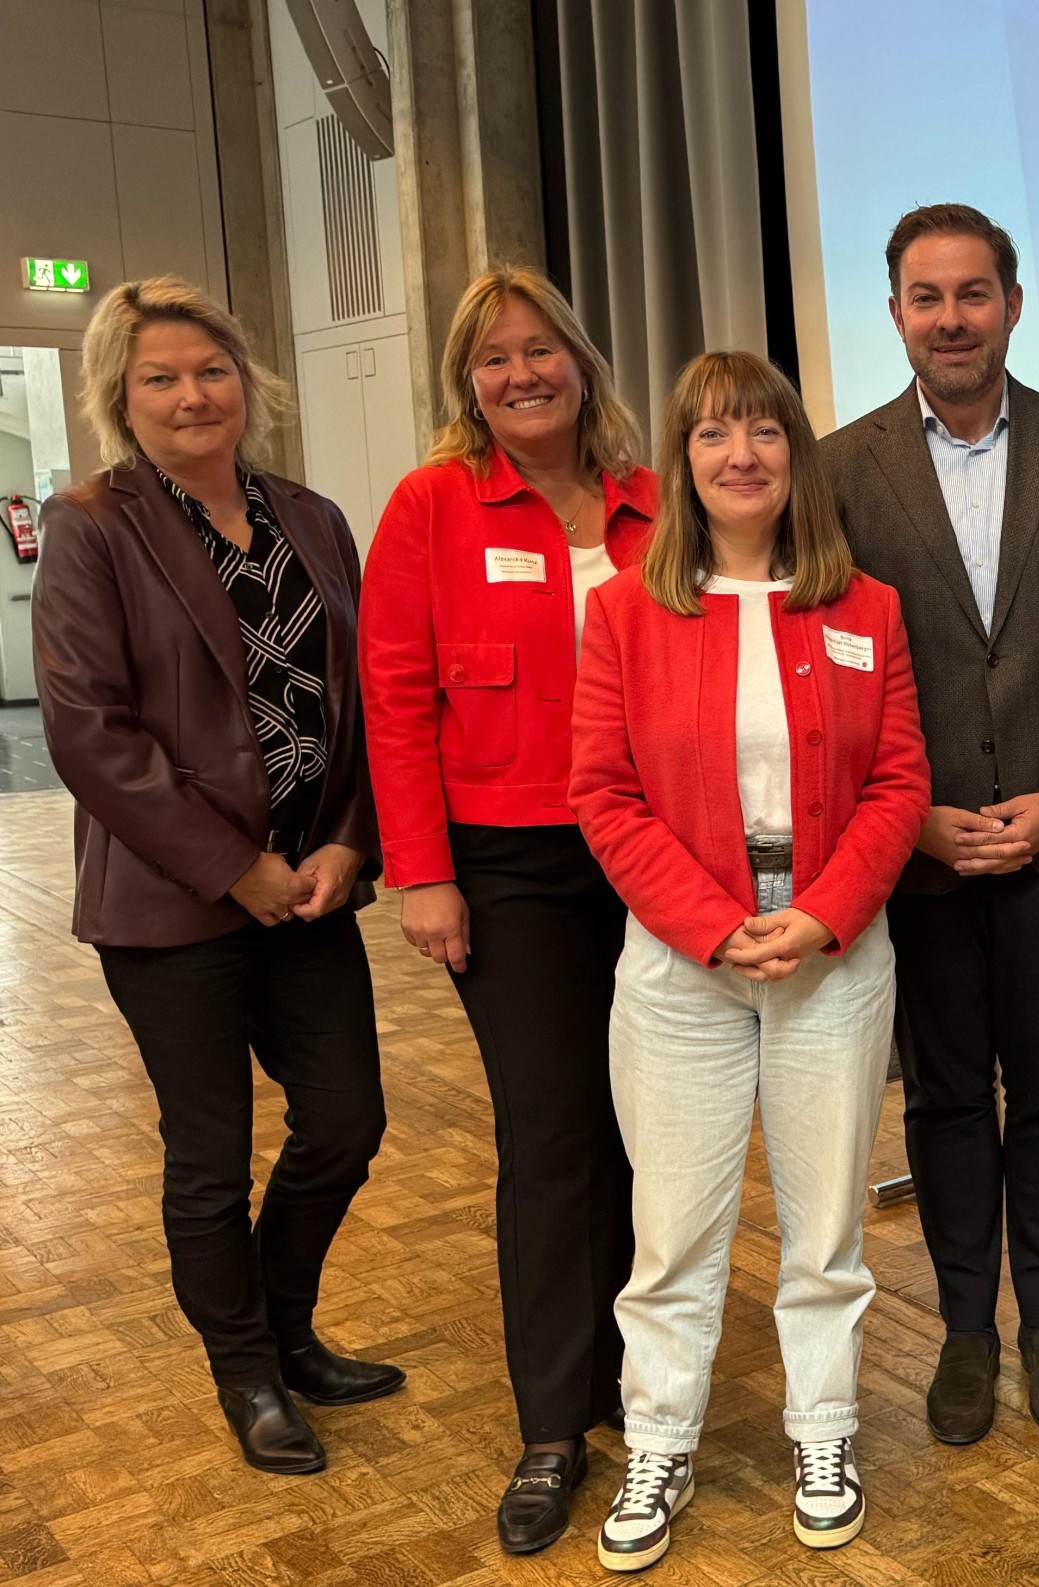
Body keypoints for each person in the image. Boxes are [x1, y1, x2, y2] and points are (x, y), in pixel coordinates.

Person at [32, 277, 400, 1475]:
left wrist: (351, 839)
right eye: (161, 377)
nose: (193, 395)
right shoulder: (93, 525)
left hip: (311, 890)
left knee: (345, 1121)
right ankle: (246, 1374)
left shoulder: (313, 518)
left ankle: (287, 1331)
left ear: (247, 380)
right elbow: (90, 732)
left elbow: (365, 703)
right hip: (171, 904)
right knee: (209, 1158)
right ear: (120, 396)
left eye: (212, 370)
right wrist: (232, 866)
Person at [570, 350, 927, 1569]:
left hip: (832, 948)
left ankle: (824, 1432)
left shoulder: (867, 608)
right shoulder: (626, 611)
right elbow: (603, 794)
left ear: (795, 456)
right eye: (714, 434)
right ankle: (659, 1441)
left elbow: (899, 782)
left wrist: (824, 914)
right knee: (673, 1230)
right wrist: (711, 923)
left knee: (825, 1226)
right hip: (683, 961)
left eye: (765, 432)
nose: (741, 455)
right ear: (682, 461)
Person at [821, 203, 1039, 1445]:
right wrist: (909, 816)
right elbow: (830, 668)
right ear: (895, 314)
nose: (951, 318)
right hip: (920, 855)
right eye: (927, 296)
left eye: (974, 293)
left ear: (1012, 304)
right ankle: (967, 1331)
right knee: (948, 1098)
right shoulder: (839, 470)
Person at [357, 267, 655, 1553]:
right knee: (552, 1133)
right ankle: (553, 1423)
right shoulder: (431, 505)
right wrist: (421, 872)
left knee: (653, 1129)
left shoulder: (656, 502)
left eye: (541, 350)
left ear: (581, 362)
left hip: (655, 855)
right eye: (495, 359)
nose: (522, 374)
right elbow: (393, 695)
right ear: (467, 386)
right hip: (510, 861)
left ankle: (642, 1380)